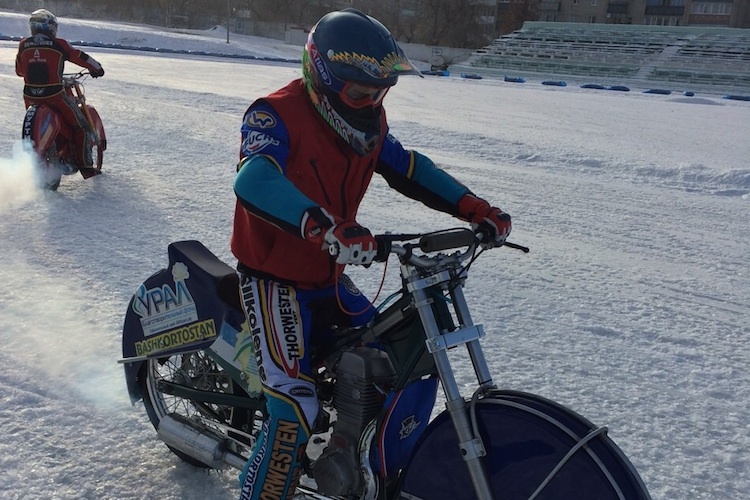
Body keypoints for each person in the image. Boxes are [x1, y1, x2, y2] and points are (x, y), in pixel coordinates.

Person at [231, 8, 511, 499]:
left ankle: (352, 455)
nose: (372, 103)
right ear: (321, 78)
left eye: (381, 92)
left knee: (387, 358)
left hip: (329, 277)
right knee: (294, 407)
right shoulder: (274, 113)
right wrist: (323, 226)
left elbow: (410, 169)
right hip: (274, 279)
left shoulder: (369, 126)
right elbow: (254, 178)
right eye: (360, 93)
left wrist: (475, 209)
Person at [15, 9, 105, 171]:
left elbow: (19, 71)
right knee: (81, 127)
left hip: (30, 97)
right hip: (54, 96)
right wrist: (96, 68)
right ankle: (86, 166)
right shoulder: (59, 44)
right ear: (50, 27)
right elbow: (79, 56)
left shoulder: (23, 44)